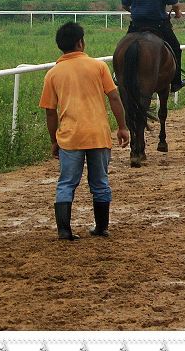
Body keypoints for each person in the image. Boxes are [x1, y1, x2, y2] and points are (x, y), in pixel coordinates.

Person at [39, 22, 130, 241]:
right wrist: (123, 127)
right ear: (80, 42)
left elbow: (50, 113)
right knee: (100, 182)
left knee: (66, 183)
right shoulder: (98, 67)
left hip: (70, 137)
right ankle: (101, 227)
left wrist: (54, 141)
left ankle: (64, 230)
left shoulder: (53, 73)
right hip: (97, 134)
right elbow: (114, 97)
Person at [121, 0, 185, 92]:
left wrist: (135, 11)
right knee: (176, 48)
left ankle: (118, 75)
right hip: (159, 25)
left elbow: (125, 5)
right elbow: (175, 4)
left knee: (123, 48)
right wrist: (178, 13)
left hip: (136, 26)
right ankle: (176, 81)